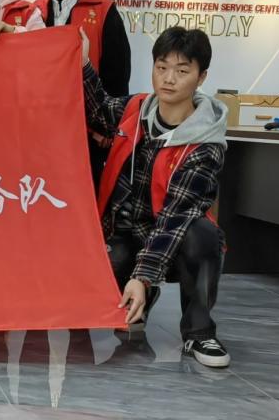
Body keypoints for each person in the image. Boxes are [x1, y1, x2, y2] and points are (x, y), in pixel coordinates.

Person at [81, 25, 229, 368]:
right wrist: (83, 63)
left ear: (201, 77)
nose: (169, 79)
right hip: (123, 233)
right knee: (105, 279)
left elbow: (174, 219)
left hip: (173, 240)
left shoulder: (205, 145)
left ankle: (199, 332)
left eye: (182, 71)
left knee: (203, 235)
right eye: (161, 67)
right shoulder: (136, 109)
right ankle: (141, 297)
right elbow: (98, 108)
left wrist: (143, 276)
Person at [37, 0, 131, 182]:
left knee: (85, 193)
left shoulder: (104, 9)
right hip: (40, 127)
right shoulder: (35, 12)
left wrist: (106, 127)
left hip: (88, 132)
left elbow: (118, 74)